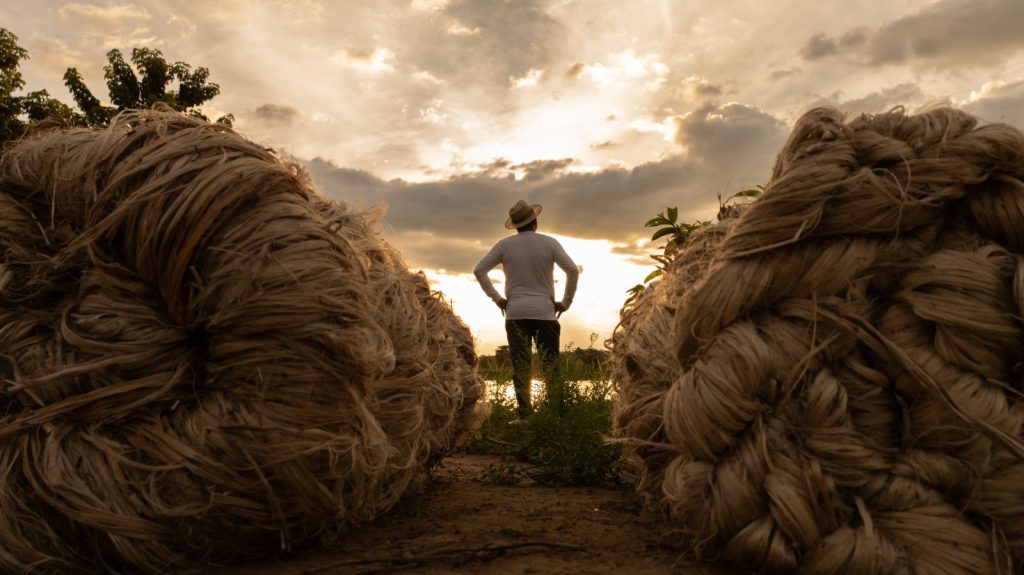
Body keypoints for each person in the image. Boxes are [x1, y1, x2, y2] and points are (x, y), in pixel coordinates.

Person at [474, 200, 579, 422]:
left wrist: (498, 300)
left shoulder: (504, 245)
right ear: (535, 223)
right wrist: (565, 302)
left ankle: (524, 417)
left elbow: (479, 270)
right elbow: (572, 270)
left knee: (521, 365)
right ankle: (556, 416)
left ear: (516, 225)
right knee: (551, 365)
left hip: (515, 313)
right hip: (545, 313)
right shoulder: (550, 243)